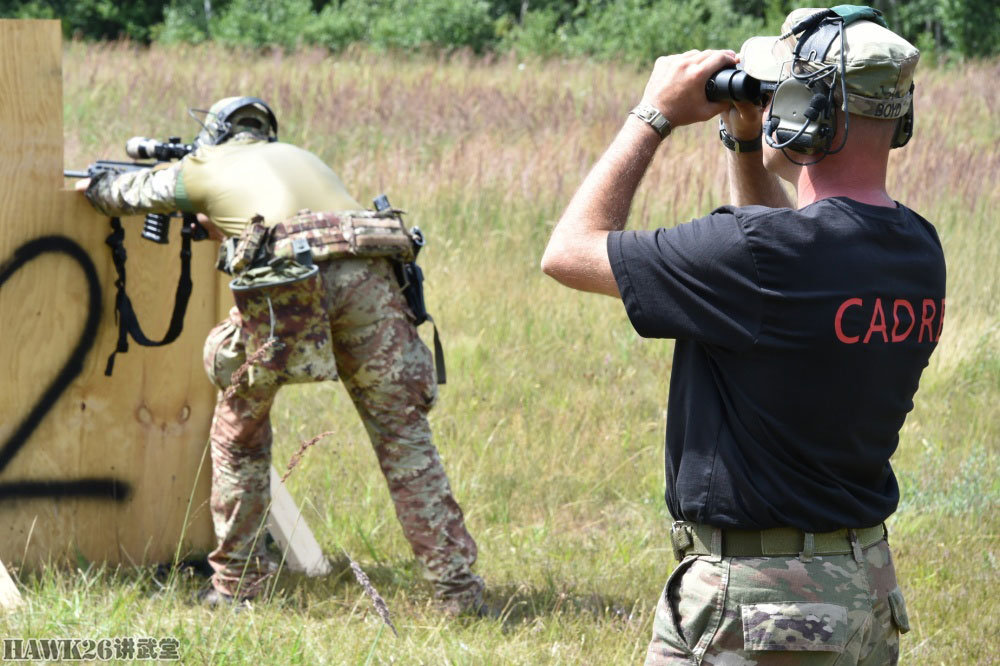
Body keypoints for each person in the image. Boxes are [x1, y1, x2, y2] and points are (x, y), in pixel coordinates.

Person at [541, 6, 943, 664]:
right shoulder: (917, 251)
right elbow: (784, 265)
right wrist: (745, 142)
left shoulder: (755, 255)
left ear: (813, 111)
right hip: (863, 588)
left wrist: (653, 115)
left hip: (757, 607)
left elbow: (568, 251)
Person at [77, 97, 485, 614]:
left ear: (216, 137)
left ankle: (237, 586)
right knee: (404, 439)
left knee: (240, 433)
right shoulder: (302, 155)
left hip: (289, 279)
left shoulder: (206, 164)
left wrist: (93, 183)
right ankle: (459, 594)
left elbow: (120, 195)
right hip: (371, 274)